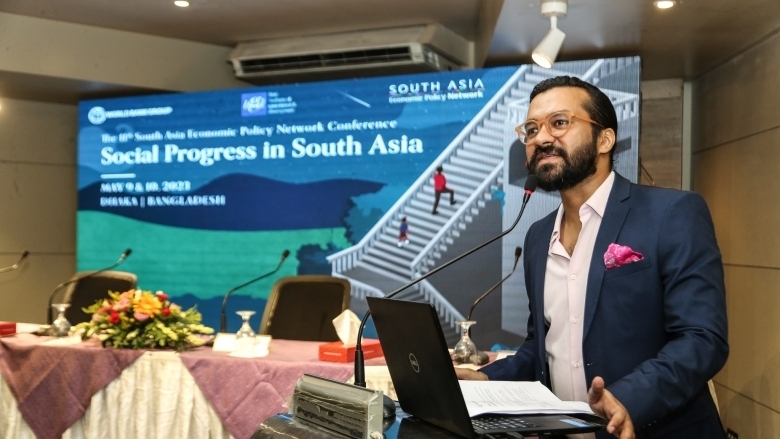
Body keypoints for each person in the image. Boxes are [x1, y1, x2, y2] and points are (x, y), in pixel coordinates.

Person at [456, 76, 728, 439]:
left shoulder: (671, 213)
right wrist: (485, 377)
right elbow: (543, 350)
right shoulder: (538, 237)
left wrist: (630, 397)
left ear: (605, 139)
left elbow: (702, 338)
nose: (541, 138)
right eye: (532, 129)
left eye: (559, 122)